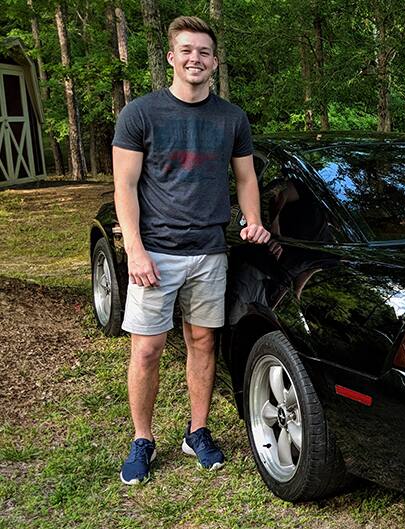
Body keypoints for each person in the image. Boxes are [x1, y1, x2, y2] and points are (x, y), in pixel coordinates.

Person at [112, 16, 269, 485]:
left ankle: (196, 431)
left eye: (203, 52)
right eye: (186, 50)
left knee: (202, 343)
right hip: (155, 253)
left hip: (209, 251)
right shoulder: (140, 114)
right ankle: (142, 439)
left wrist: (254, 221)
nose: (195, 59)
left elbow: (245, 178)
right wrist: (135, 251)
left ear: (214, 62)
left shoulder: (231, 117)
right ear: (170, 57)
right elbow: (125, 187)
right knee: (148, 349)